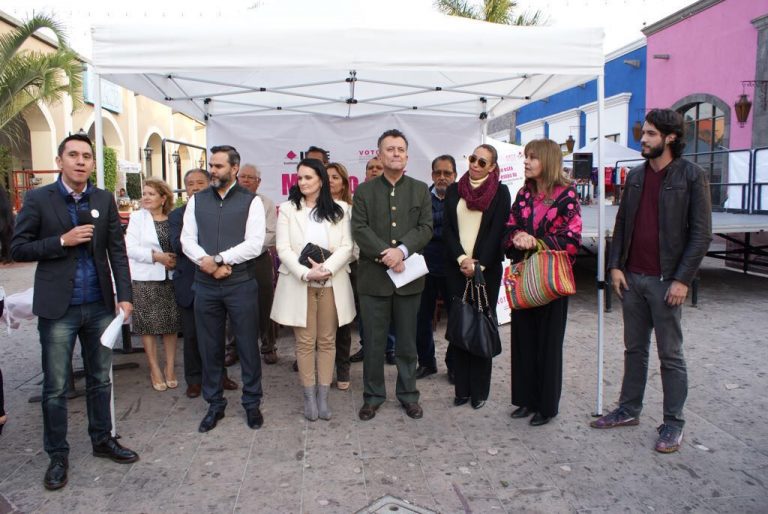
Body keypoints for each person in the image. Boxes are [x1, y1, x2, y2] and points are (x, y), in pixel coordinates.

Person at [11, 133, 138, 490]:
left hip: (98, 304)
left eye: (87, 156)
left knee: (100, 379)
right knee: (55, 387)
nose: (81, 161)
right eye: (74, 155)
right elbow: (17, 248)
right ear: (60, 161)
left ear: (93, 164)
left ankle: (103, 440)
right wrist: (61, 242)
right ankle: (57, 455)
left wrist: (124, 296)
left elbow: (117, 250)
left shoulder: (102, 199)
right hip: (58, 308)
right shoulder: (38, 199)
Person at [590, 109, 712, 453]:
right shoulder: (637, 176)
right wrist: (615, 266)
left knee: (670, 355)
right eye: (643, 133)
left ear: (670, 137)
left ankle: (673, 423)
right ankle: (629, 409)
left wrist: (682, 279)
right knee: (634, 349)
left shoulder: (691, 176)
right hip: (633, 279)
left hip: (666, 281)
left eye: (651, 134)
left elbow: (701, 235)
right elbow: (623, 222)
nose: (643, 139)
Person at [181, 145, 266, 433]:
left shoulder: (250, 201)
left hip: (240, 283)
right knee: (210, 347)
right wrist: (207, 263)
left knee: (246, 346)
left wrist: (220, 259)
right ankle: (215, 404)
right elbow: (187, 240)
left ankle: (252, 403)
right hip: (205, 285)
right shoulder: (197, 201)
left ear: (234, 169)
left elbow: (255, 243)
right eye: (211, 166)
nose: (213, 171)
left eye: (218, 166)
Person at [352, 129, 433, 421]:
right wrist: (387, 255)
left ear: (407, 155)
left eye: (400, 149)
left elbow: (425, 228)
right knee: (373, 343)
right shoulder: (363, 191)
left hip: (408, 280)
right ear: (379, 154)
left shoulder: (420, 189)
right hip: (374, 281)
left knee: (407, 343)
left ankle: (408, 395)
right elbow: (359, 229)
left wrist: (403, 251)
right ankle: (373, 396)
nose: (396, 153)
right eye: (390, 149)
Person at [505, 138, 582, 426]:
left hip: (551, 281)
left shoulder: (567, 195)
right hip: (525, 277)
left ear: (548, 161)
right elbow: (510, 225)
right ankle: (525, 399)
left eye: (532, 157)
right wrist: (516, 237)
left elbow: (572, 238)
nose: (525, 162)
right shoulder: (524, 193)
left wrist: (535, 241)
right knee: (523, 340)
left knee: (548, 345)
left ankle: (546, 406)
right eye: (525, 157)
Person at [271, 159, 355, 420]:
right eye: (300, 178)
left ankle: (323, 396)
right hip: (300, 282)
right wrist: (307, 273)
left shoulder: (341, 209)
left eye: (308, 177)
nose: (303, 182)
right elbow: (282, 248)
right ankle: (309, 397)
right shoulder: (287, 209)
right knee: (305, 342)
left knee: (328, 340)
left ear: (321, 179)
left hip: (331, 282)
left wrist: (327, 269)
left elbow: (347, 247)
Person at [444, 146, 511, 409]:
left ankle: (479, 390)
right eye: (472, 159)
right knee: (461, 328)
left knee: (482, 326)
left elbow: (497, 232)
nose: (475, 164)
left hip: (486, 272)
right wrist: (462, 259)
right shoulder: (454, 189)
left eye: (482, 162)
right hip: (457, 270)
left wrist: (479, 264)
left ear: (492, 167)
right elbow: (448, 230)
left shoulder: (501, 192)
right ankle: (461, 389)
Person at [169, 169, 239, 399]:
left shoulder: (219, 211)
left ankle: (220, 376)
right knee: (191, 336)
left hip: (218, 280)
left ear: (210, 183)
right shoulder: (177, 215)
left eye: (200, 182)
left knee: (216, 334)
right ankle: (195, 380)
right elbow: (178, 245)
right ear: (185, 188)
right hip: (190, 283)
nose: (195, 187)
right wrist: (205, 255)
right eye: (190, 184)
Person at [126, 178, 182, 391]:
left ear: (163, 198)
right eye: (145, 193)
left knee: (170, 326)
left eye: (151, 194)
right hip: (145, 278)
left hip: (170, 278)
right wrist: (155, 257)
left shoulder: (173, 218)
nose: (146, 197)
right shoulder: (137, 218)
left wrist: (175, 259)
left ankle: (169, 367)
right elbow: (129, 248)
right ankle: (154, 368)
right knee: (148, 326)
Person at [226, 163, 279, 365]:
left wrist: (248, 248)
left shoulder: (266, 203)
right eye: (243, 177)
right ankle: (233, 348)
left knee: (265, 303)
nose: (246, 180)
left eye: (251, 177)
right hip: (232, 261)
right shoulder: (227, 202)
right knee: (232, 305)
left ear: (259, 182)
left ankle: (268, 346)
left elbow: (272, 234)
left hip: (259, 259)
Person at [415, 155, 456, 381]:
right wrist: (442, 225)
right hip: (425, 266)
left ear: (455, 175)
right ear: (431, 175)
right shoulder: (421, 197)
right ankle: (426, 363)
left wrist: (432, 226)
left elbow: (431, 226)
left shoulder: (462, 197)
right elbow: (422, 227)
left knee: (456, 319)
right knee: (422, 318)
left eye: (447, 173)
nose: (442, 177)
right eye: (437, 173)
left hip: (453, 267)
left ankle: (453, 365)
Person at [326, 162, 354, 390]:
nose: (330, 181)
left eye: (335, 177)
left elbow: (355, 248)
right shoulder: (310, 209)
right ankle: (321, 369)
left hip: (343, 273)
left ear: (344, 182)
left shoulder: (351, 210)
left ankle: (343, 368)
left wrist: (333, 260)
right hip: (315, 273)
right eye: (326, 177)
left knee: (342, 325)